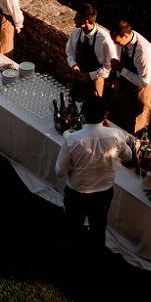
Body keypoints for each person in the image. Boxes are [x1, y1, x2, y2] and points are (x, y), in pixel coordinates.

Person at [55, 96, 132, 253]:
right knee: (99, 228)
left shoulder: (72, 140)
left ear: (83, 115)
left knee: (73, 226)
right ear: (105, 115)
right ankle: (96, 256)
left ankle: (72, 250)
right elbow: (128, 157)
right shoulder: (116, 135)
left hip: (77, 193)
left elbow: (59, 172)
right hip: (103, 193)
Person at [108, 20, 151, 137]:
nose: (114, 43)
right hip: (126, 86)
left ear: (125, 35)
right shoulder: (122, 42)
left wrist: (121, 70)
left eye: (116, 41)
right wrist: (117, 77)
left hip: (140, 91)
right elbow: (119, 59)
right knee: (120, 121)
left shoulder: (143, 51)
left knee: (135, 127)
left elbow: (144, 82)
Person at [65, 3, 114, 100]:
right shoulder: (76, 32)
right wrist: (74, 64)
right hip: (78, 79)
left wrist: (90, 76)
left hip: (95, 82)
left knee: (92, 109)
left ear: (86, 21)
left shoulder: (104, 39)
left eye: (77, 17)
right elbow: (70, 52)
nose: (74, 19)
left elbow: (109, 67)